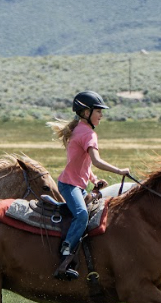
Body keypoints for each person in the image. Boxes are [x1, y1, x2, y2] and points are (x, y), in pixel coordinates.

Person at [51, 90, 133, 281]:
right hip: (69, 185)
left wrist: (94, 180)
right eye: (98, 111)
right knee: (81, 214)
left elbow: (83, 164)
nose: (101, 115)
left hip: (76, 184)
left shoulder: (80, 130)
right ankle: (66, 250)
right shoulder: (88, 134)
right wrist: (119, 171)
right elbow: (96, 161)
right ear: (86, 112)